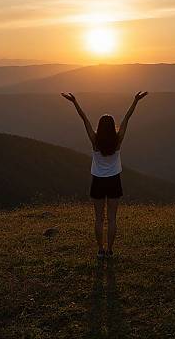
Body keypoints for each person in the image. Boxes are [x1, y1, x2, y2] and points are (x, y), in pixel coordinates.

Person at [61, 91, 148, 259]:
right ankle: (110, 250)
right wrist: (135, 101)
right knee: (112, 218)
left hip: (98, 181)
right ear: (112, 126)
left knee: (99, 218)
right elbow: (127, 118)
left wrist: (74, 102)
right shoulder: (118, 140)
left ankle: (100, 250)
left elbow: (84, 119)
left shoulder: (95, 141)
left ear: (100, 127)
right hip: (114, 180)